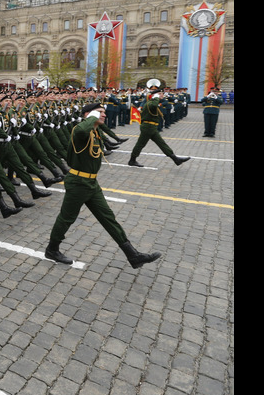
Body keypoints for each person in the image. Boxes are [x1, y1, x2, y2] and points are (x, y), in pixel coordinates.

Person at [45, 103, 161, 269]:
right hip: (78, 182)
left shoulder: (95, 131)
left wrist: (95, 117)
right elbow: (81, 130)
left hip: (91, 182)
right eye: (99, 112)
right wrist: (92, 115)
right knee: (67, 218)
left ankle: (132, 255)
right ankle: (52, 249)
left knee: (108, 217)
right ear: (88, 114)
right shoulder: (81, 130)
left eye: (104, 112)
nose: (104, 115)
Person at [128, 87, 190, 167]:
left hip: (151, 127)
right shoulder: (150, 103)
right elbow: (153, 106)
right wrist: (156, 97)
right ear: (155, 95)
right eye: (160, 94)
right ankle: (132, 160)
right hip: (148, 127)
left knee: (161, 143)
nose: (162, 95)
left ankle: (176, 159)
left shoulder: (151, 102)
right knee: (141, 144)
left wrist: (157, 98)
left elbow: (164, 102)